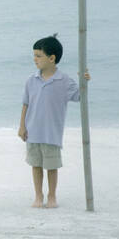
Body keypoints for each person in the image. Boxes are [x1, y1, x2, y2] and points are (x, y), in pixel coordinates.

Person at [18, 34, 90, 208]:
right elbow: (26, 104)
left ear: (52, 58)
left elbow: (80, 96)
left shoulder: (64, 81)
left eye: (38, 55)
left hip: (52, 133)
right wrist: (22, 126)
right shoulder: (31, 80)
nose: (34, 59)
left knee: (51, 167)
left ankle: (51, 196)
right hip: (33, 131)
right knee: (35, 165)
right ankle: (38, 196)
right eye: (34, 55)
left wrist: (84, 80)